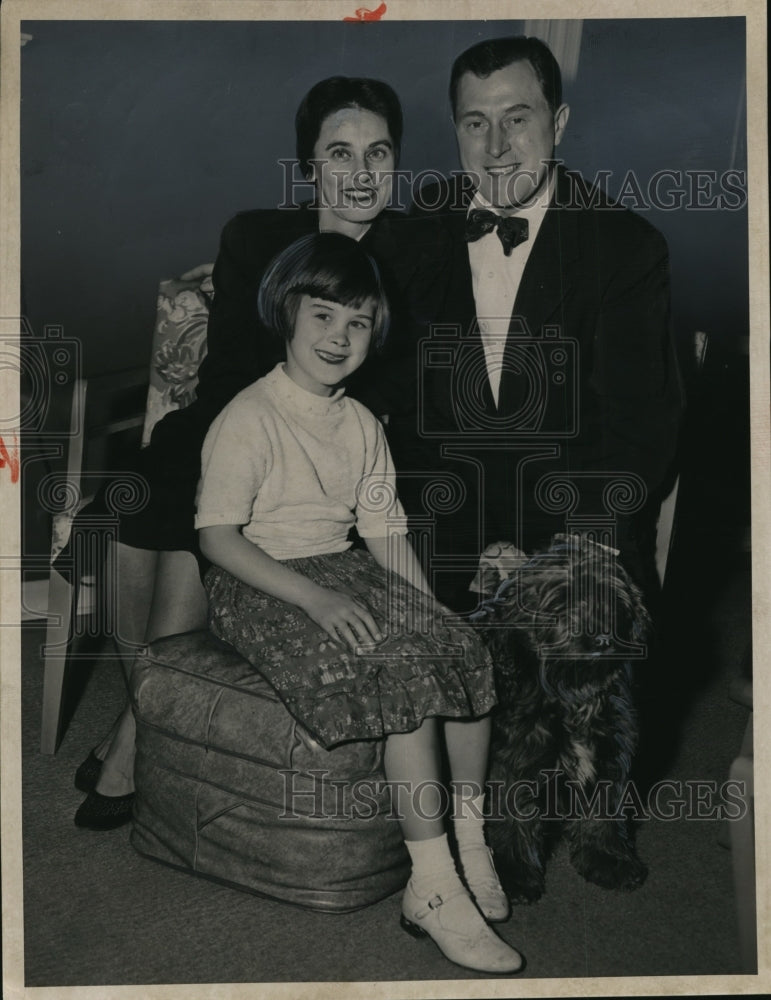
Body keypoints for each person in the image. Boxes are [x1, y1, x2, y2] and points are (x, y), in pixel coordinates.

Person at [73, 76, 449, 829]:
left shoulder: (423, 248)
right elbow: (226, 375)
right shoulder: (254, 236)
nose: (361, 173)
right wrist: (253, 442)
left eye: (378, 152)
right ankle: (153, 712)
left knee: (206, 509)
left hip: (350, 441)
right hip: (241, 417)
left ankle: (135, 738)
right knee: (151, 492)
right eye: (339, 154)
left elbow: (405, 384)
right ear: (309, 166)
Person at [196, 232, 524, 976]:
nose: (339, 338)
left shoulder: (362, 423)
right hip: (262, 579)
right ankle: (432, 888)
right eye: (323, 317)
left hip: (340, 567)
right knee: (401, 679)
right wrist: (313, 599)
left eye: (357, 322)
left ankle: (468, 846)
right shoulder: (249, 416)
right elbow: (217, 538)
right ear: (286, 312)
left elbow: (383, 530)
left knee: (458, 646)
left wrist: (426, 614)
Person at [392, 35, 683, 612]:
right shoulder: (426, 218)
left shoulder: (625, 246)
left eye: (517, 118)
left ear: (561, 122)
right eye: (475, 123)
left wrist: (549, 558)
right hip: (443, 521)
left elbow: (639, 432)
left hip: (575, 528)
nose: (496, 146)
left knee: (575, 679)